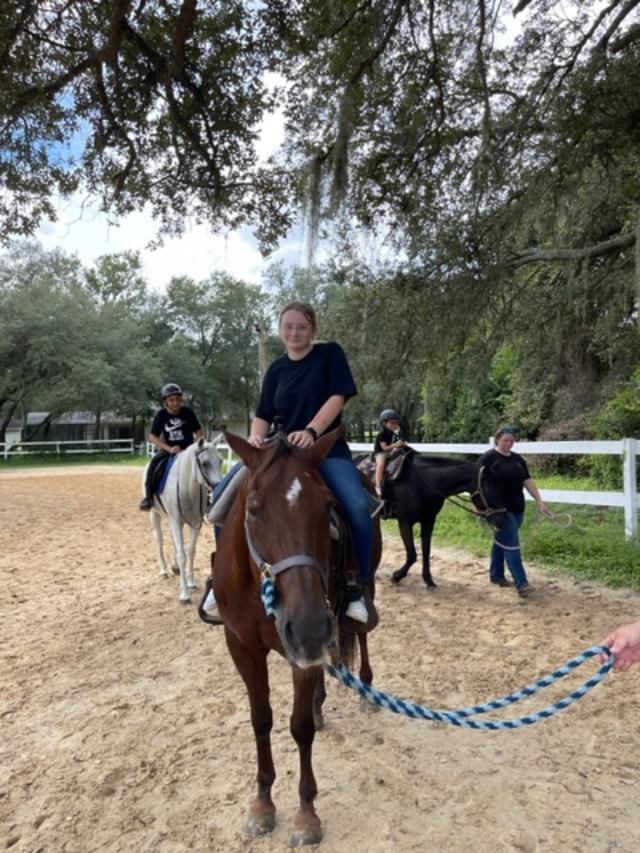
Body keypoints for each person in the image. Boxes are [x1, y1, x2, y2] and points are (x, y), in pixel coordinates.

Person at [248, 300, 378, 624]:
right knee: (224, 499)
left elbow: (337, 397)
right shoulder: (276, 369)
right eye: (288, 326)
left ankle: (355, 587)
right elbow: (263, 414)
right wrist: (254, 439)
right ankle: (221, 581)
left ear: (313, 330)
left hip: (324, 450)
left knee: (359, 508)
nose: (294, 332)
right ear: (280, 330)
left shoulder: (329, 354)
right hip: (281, 454)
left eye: (302, 327)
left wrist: (311, 430)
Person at [478, 426, 551, 597]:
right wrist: (479, 506)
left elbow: (527, 480)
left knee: (501, 540)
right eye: (505, 440)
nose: (509, 444)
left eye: (511, 440)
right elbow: (476, 482)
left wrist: (539, 501)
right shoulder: (488, 458)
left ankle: (496, 576)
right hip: (499, 510)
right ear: (498, 440)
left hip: (518, 508)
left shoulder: (518, 459)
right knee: (512, 545)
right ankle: (522, 583)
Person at [139, 383, 204, 511]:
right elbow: (152, 436)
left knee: (204, 466)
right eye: (171, 400)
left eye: (178, 400)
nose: (175, 403)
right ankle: (148, 497)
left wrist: (194, 447)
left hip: (188, 450)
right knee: (153, 464)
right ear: (166, 402)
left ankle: (208, 498)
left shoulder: (188, 413)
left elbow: (199, 432)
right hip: (169, 450)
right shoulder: (161, 415)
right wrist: (169, 449)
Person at [373, 409, 405, 497]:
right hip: (381, 453)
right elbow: (384, 448)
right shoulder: (382, 434)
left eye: (396, 423)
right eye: (392, 423)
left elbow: (399, 442)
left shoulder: (393, 433)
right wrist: (396, 445)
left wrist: (401, 443)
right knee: (381, 465)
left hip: (390, 451)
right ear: (384, 423)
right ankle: (378, 485)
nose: (394, 425)